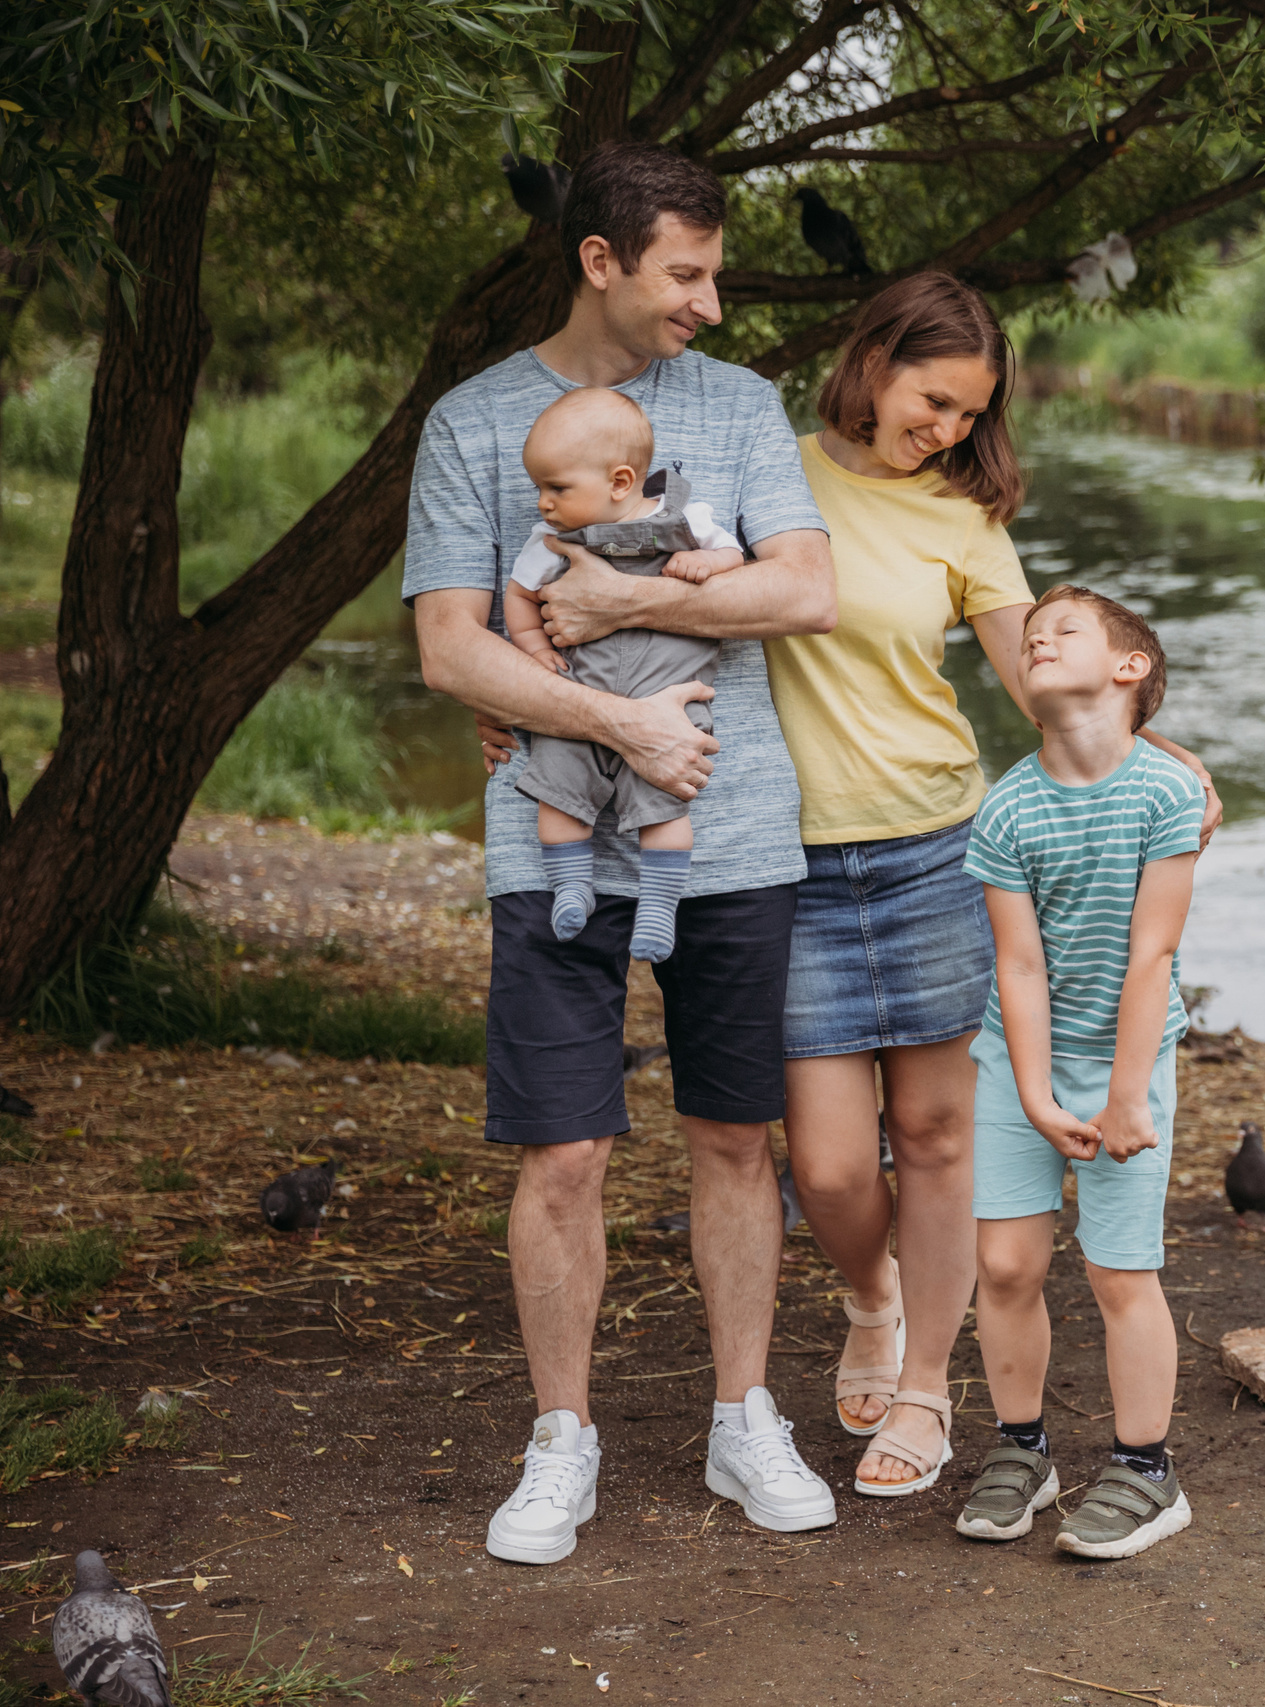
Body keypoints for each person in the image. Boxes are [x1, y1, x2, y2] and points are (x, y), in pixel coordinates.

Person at [404, 140, 841, 1565]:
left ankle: (740, 1414)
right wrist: (619, 722)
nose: (710, 304)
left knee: (735, 1135)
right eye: (687, 274)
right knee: (566, 1149)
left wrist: (616, 607)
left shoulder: (745, 407)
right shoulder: (475, 423)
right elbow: (447, 643)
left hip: (740, 833)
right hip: (558, 841)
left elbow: (807, 586)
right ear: (602, 260)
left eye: (713, 273)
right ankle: (561, 1439)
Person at [762, 272, 1220, 1498]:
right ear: (870, 360)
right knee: (833, 1166)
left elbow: (1047, 682)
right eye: (935, 399)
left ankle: (927, 1393)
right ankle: (874, 1297)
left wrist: (1166, 762)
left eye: (972, 412)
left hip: (932, 841)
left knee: (938, 1132)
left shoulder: (960, 519)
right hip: (789, 856)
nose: (951, 430)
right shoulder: (771, 465)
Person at [955, 585, 1203, 1559]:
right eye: (1030, 638)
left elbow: (1153, 956)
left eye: (1065, 632)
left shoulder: (1167, 791)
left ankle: (1148, 1470)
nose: (1038, 642)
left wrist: (1125, 1094)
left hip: (1127, 1061)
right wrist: (1032, 1095)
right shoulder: (1008, 809)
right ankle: (1023, 1451)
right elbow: (1015, 966)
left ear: (1128, 668)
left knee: (1116, 1268)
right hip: (1021, 1061)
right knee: (1007, 1264)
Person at [502, 385, 748, 961]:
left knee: (666, 802)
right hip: (580, 701)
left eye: (556, 488)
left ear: (619, 481)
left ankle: (658, 906)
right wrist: (536, 650)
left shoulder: (687, 518)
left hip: (669, 702)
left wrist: (707, 561)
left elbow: (736, 557)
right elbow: (519, 595)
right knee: (557, 793)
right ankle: (570, 886)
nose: (543, 503)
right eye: (540, 487)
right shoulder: (554, 542)